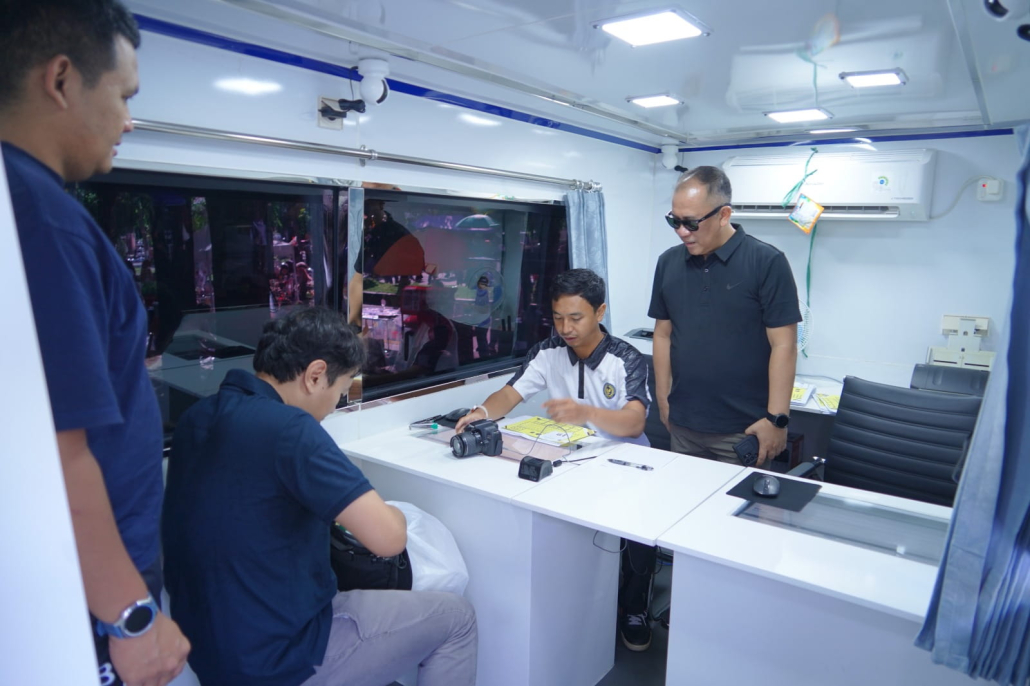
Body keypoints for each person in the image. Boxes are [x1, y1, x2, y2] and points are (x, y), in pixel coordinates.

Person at [0, 2, 191, 685]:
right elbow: (58, 447)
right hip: (95, 603)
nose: (129, 121)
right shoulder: (42, 220)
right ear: (60, 80)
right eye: (124, 96)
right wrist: (130, 617)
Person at [163, 307, 478, 686]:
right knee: (457, 618)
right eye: (340, 392)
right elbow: (390, 539)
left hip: (207, 648)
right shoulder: (291, 428)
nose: (335, 407)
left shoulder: (198, 416)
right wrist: (393, 512)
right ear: (315, 376)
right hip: (280, 656)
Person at [454, 268, 658, 651]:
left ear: (600, 312)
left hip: (625, 462)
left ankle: (634, 607)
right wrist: (480, 413)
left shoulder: (626, 358)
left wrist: (587, 413)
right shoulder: (547, 352)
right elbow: (510, 394)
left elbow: (634, 423)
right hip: (571, 458)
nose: (566, 328)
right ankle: (578, 605)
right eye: (558, 317)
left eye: (576, 318)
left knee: (636, 537)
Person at [649, 166, 801, 467]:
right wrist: (663, 400)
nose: (682, 231)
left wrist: (777, 419)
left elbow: (784, 345)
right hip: (683, 424)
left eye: (691, 223)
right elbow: (663, 334)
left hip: (744, 429)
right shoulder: (668, 263)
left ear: (723, 215)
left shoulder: (766, 262)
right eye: (674, 221)